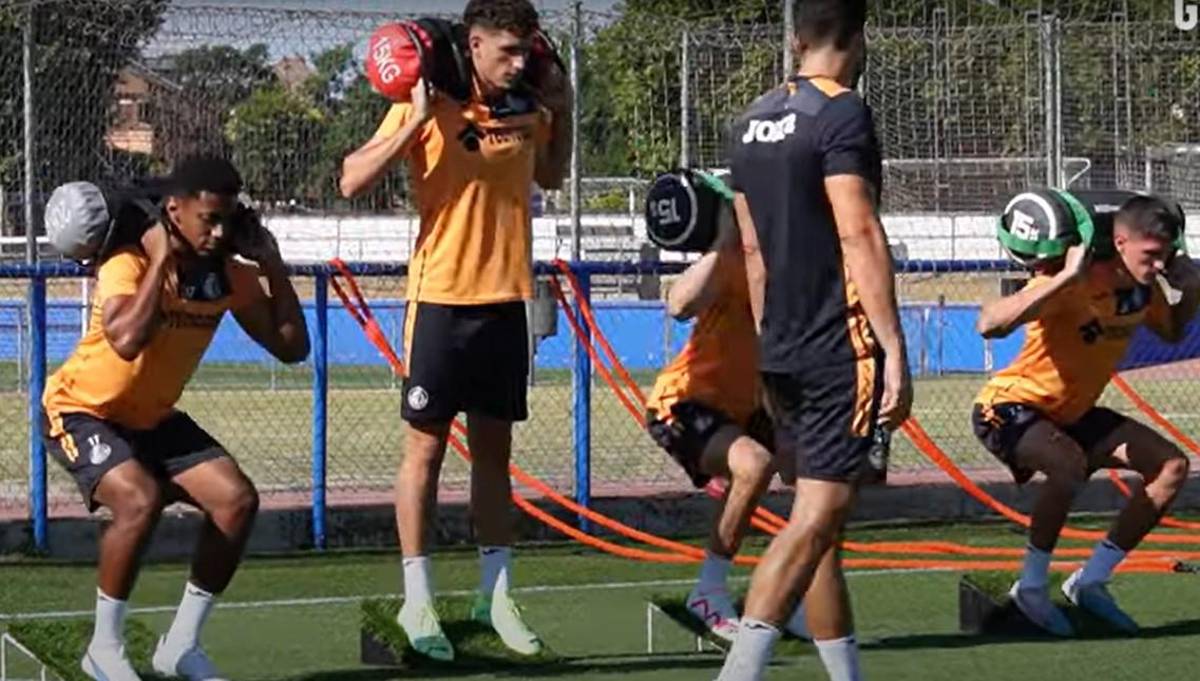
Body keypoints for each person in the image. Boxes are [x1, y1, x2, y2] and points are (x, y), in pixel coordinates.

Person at [339, 0, 573, 661]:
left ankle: (494, 595)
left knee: (495, 458)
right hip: (441, 302)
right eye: (507, 50)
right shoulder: (431, 97)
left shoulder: (529, 102)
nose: (520, 61)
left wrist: (564, 105)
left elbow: (551, 176)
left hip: (507, 303)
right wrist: (411, 120)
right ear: (472, 44)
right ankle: (418, 599)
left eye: (527, 49)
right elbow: (352, 179)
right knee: (425, 455)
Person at [42, 156, 310, 681]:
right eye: (208, 218)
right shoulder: (128, 261)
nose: (218, 231)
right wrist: (161, 259)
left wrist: (273, 265)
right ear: (174, 210)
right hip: (80, 411)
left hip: (151, 417)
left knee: (236, 500)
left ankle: (180, 645)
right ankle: (103, 648)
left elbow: (291, 347)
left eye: (227, 220)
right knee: (138, 501)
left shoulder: (228, 275)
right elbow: (126, 340)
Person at [718, 1, 912, 679]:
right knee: (820, 514)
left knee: (822, 529)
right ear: (858, 40)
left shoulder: (747, 122)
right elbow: (858, 230)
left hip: (783, 345)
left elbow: (752, 250)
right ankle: (738, 670)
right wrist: (892, 347)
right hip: (840, 342)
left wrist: (771, 339)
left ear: (796, 38)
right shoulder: (842, 113)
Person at [974, 194, 1198, 636]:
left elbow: (1171, 331)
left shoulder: (1143, 290)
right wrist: (1065, 277)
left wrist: (1193, 289)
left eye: (1166, 255)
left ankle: (1091, 582)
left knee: (1171, 467)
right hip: (1008, 406)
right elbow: (989, 324)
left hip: (1072, 414)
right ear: (1120, 241)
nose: (1158, 266)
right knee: (1068, 464)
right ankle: (1032, 589)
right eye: (1151, 255)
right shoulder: (1072, 279)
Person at [646, 192, 809, 644]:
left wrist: (788, 429)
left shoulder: (787, 272)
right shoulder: (728, 262)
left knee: (818, 480)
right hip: (683, 402)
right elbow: (678, 304)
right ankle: (709, 591)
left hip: (748, 406)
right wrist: (723, 239)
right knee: (754, 465)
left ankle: (788, 598)